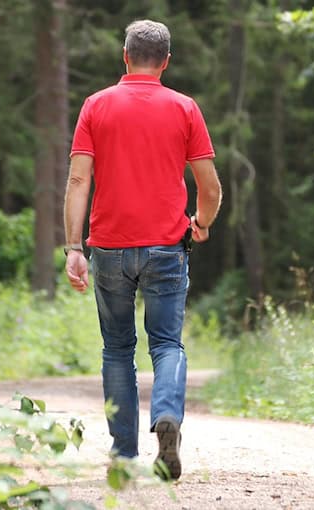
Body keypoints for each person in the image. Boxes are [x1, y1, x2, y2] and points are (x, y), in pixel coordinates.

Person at [63, 19, 222, 481]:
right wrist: (202, 223)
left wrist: (74, 246)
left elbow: (78, 180)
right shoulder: (185, 108)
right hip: (167, 247)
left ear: (125, 55)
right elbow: (209, 185)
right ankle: (167, 416)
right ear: (166, 61)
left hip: (109, 247)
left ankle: (123, 453)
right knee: (167, 343)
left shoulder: (96, 106)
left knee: (117, 349)